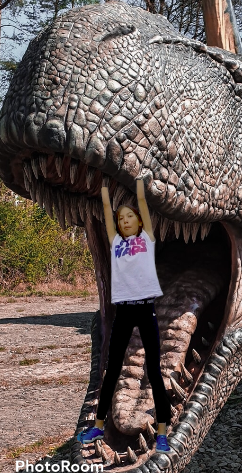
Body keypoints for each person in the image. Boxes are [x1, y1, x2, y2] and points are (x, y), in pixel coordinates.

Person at [76, 178, 171, 453]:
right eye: (121, 218)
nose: (125, 220)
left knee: (154, 371)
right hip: (124, 310)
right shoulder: (116, 241)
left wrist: (139, 185)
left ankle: (162, 432)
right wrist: (105, 190)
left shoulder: (146, 239)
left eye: (130, 216)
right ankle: (98, 425)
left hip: (145, 308)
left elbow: (142, 203)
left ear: (139, 221)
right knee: (112, 370)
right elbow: (107, 211)